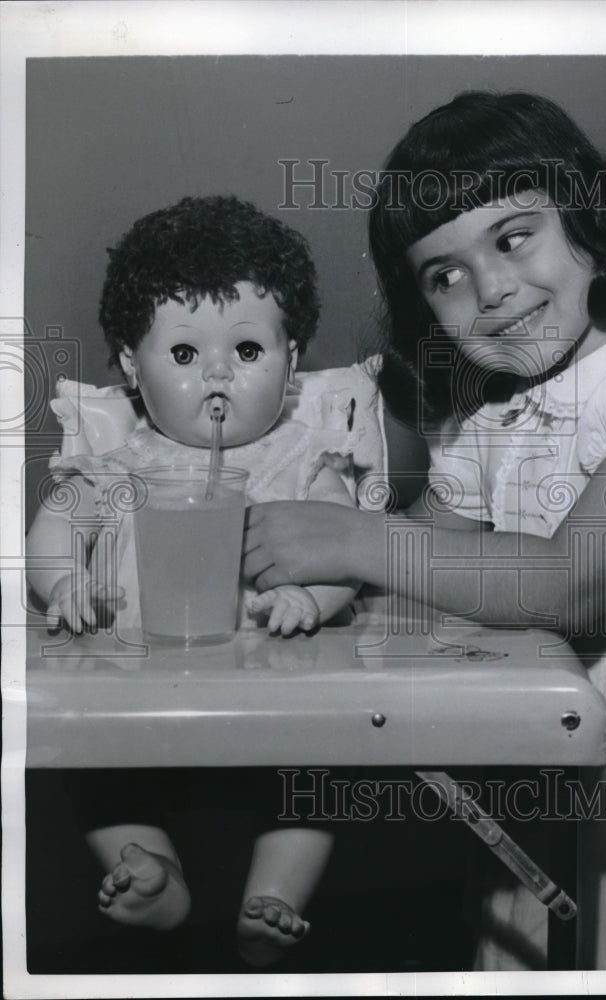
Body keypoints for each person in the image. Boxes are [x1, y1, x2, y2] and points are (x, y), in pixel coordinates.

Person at [242, 92, 606, 970]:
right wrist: (299, 585)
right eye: (444, 274)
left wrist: (351, 540)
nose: (492, 290)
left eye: (512, 238)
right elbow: (416, 575)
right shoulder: (482, 422)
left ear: (587, 218)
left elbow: (573, 580)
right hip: (543, 777)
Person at [26, 195, 359, 966]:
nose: (217, 376)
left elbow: (345, 550)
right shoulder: (113, 467)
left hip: (275, 694)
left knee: (318, 775)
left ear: (293, 360)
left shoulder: (299, 463)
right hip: (137, 691)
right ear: (128, 369)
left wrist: (310, 597)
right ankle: (153, 877)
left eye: (247, 352)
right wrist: (62, 583)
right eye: (183, 355)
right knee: (95, 776)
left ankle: (272, 896)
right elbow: (51, 533)